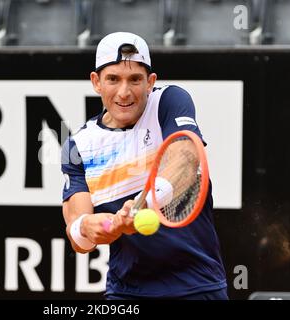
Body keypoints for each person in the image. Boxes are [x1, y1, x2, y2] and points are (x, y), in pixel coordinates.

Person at [61, 32, 228, 300]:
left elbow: (185, 158)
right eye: (113, 79)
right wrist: (100, 226)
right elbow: (79, 239)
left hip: (197, 285)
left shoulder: (169, 101)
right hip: (127, 293)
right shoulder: (78, 146)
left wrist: (143, 203)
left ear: (150, 82)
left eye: (135, 80)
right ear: (96, 82)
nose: (124, 92)